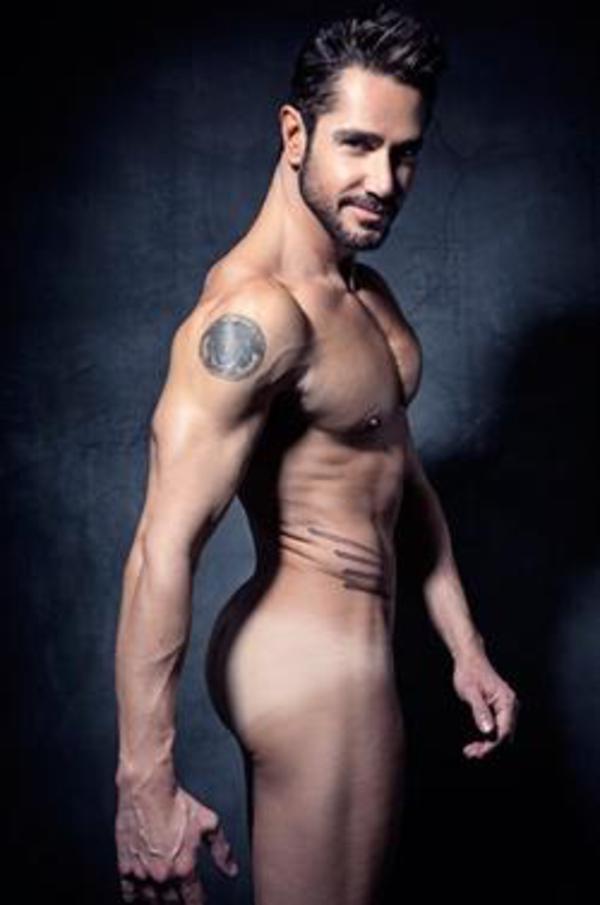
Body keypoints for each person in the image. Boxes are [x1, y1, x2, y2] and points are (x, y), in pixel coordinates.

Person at [114, 4, 520, 903]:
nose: (385, 180)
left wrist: (466, 646)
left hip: (344, 644)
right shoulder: (255, 317)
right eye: (359, 145)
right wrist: (144, 782)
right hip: (314, 664)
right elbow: (160, 546)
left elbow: (395, 470)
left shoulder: (360, 289)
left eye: (404, 153)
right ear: (295, 134)